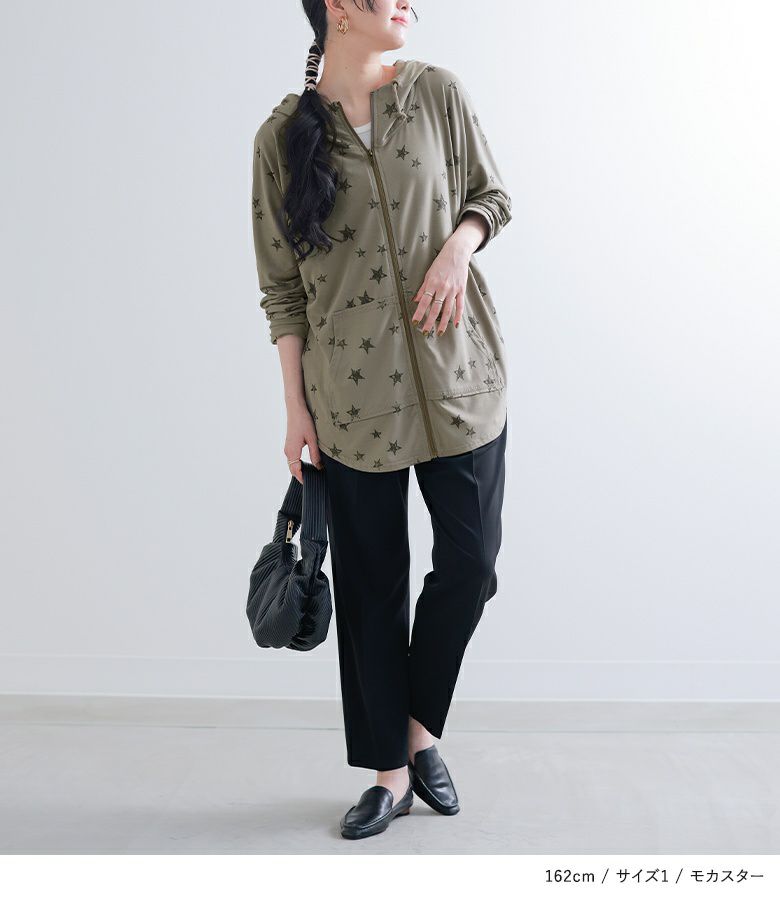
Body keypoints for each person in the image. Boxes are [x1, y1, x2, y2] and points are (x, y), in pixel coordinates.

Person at [251, 0, 513, 840]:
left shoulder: (437, 92)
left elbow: (491, 196)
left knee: (471, 564)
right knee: (371, 591)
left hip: (460, 381)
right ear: (338, 8)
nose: (408, 2)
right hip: (350, 399)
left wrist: (458, 246)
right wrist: (294, 407)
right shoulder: (281, 139)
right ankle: (389, 775)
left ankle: (417, 729)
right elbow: (282, 290)